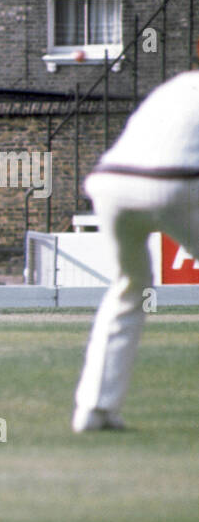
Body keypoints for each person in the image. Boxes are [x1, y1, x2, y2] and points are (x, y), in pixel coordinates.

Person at [72, 64, 199, 431]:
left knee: (129, 288)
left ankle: (94, 409)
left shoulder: (176, 85)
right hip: (174, 183)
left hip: (111, 184)